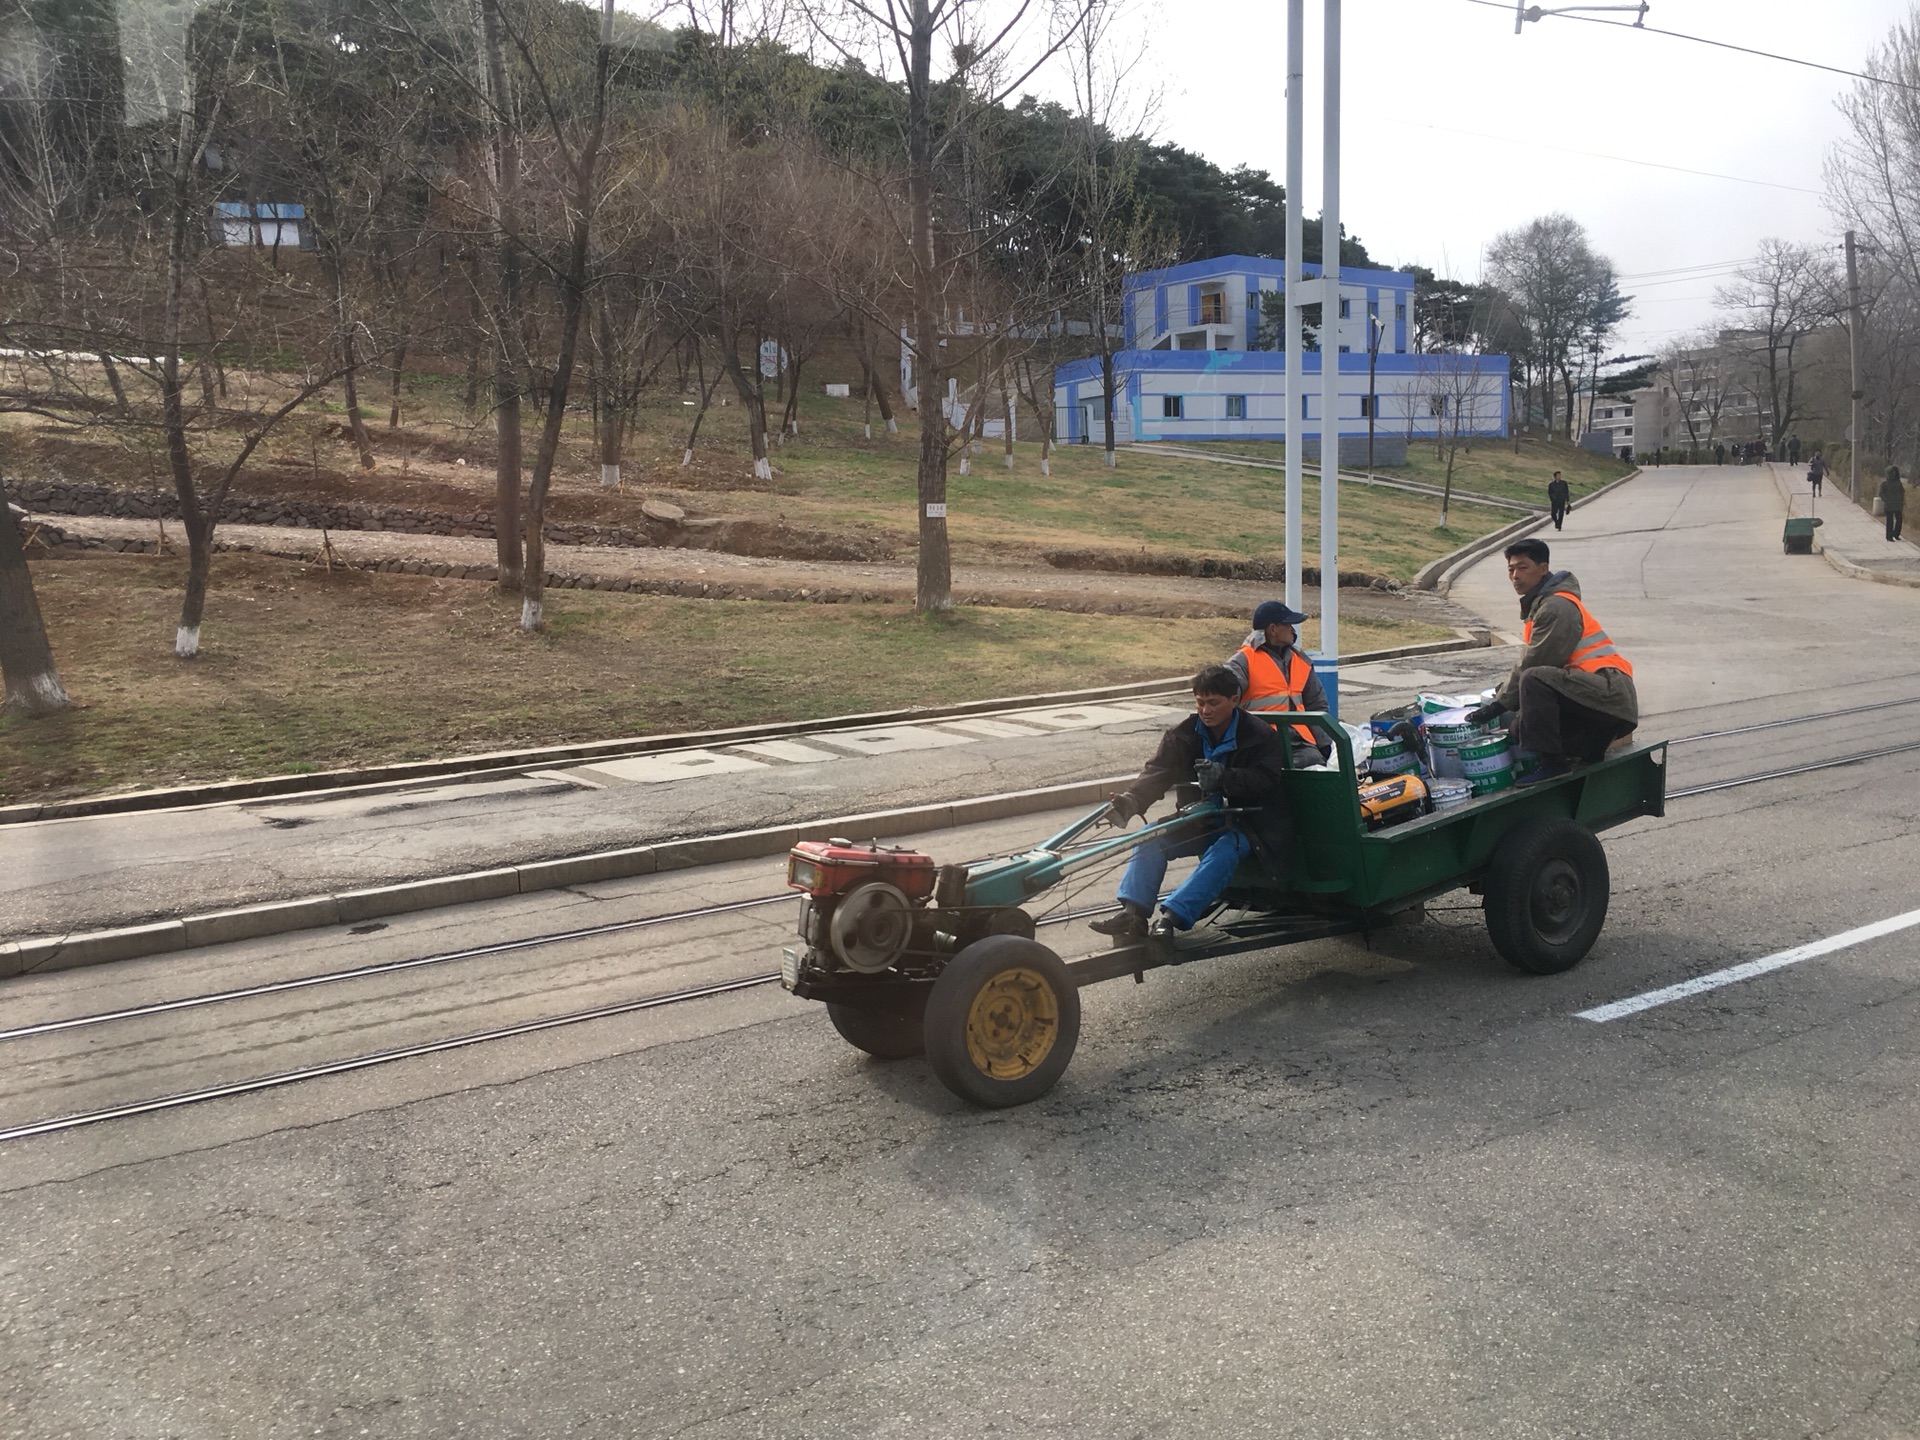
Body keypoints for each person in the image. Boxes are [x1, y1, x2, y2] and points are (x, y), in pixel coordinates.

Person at [1091, 666, 1293, 939]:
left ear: (1235, 700)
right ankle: (1133, 914)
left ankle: (1171, 918)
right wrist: (1133, 800)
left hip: (1250, 824)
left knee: (1225, 850)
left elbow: (1266, 780)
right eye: (1200, 702)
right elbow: (1157, 772)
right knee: (1149, 837)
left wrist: (1225, 777)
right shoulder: (1183, 734)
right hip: (1199, 820)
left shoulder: (1260, 736)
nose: (1205, 710)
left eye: (1213, 703)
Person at [1466, 538, 1639, 786]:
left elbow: (1535, 663)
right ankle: (1590, 748)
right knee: (1520, 729)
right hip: (1589, 696)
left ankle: (1553, 765)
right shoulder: (1541, 606)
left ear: (1544, 568)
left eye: (1523, 567)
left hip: (1608, 691)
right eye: (1511, 569)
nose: (1515, 576)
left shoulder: (1556, 606)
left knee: (1533, 678)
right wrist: (1502, 694)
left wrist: (1498, 705)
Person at [1223, 600, 1331, 767]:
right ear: (1273, 629)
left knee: (1316, 766)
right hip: (1260, 745)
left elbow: (1316, 705)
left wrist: (1324, 745)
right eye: (1288, 625)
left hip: (1301, 745)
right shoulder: (1242, 662)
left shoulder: (1300, 661)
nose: (1293, 630)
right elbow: (1223, 701)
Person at [1881, 466, 1906, 542]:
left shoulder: (1898, 483)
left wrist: (1901, 500)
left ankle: (1896, 534)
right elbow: (1881, 493)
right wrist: (1886, 500)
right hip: (1889, 505)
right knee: (1889, 521)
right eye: (1892, 473)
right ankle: (1889, 536)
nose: (1893, 474)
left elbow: (1902, 492)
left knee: (1899, 520)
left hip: (1898, 505)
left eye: (1895, 472)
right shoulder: (1884, 483)